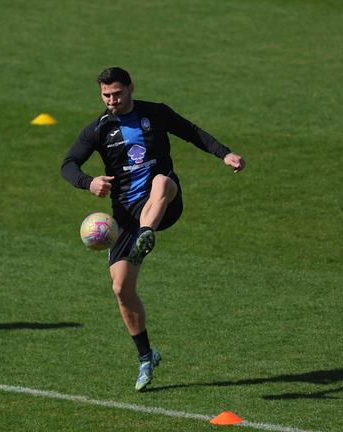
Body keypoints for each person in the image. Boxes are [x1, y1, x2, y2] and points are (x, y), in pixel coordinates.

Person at [61, 67, 245, 391]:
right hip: (126, 218)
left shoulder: (154, 113)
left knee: (161, 180)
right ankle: (146, 355)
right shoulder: (99, 129)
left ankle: (147, 234)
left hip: (165, 202)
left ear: (131, 88)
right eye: (106, 96)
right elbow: (68, 164)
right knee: (121, 289)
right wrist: (89, 183)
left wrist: (224, 153)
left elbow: (192, 132)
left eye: (117, 94)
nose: (112, 101)